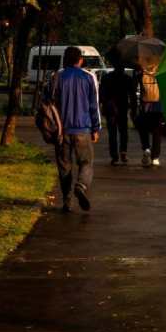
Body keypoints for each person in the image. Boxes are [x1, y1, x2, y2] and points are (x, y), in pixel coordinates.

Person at [49, 46, 100, 212]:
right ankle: (81, 186)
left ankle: (67, 201)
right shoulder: (89, 77)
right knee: (86, 163)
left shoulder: (56, 77)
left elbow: (50, 103)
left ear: (65, 59)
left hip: (62, 131)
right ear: (81, 60)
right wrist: (96, 128)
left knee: (64, 167)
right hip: (82, 129)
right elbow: (94, 105)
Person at [100, 55, 134, 165]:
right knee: (123, 131)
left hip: (110, 108)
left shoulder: (106, 77)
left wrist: (103, 105)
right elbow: (132, 95)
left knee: (112, 133)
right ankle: (123, 152)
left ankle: (114, 156)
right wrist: (134, 109)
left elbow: (102, 94)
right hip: (122, 108)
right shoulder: (127, 79)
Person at [134, 65, 164, 167]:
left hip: (145, 106)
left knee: (143, 129)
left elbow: (136, 91)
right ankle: (155, 157)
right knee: (157, 132)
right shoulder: (161, 73)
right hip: (158, 107)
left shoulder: (141, 74)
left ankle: (146, 147)